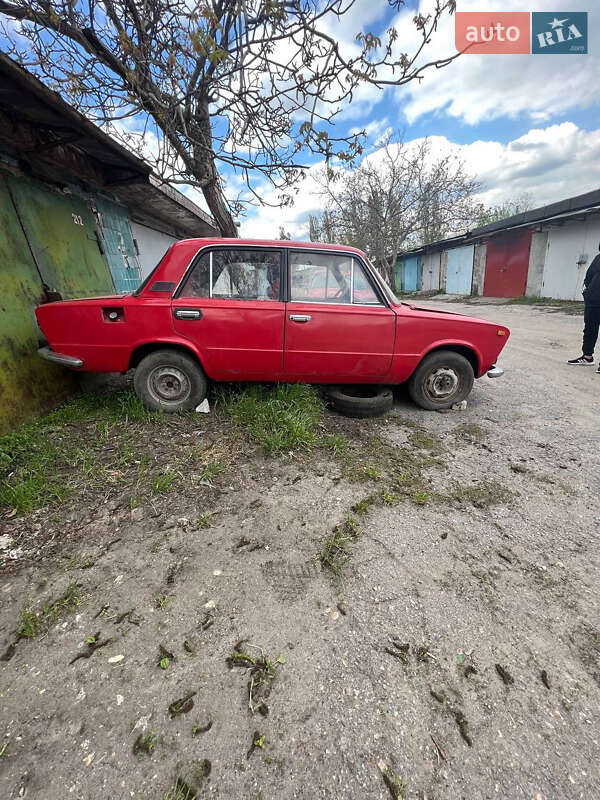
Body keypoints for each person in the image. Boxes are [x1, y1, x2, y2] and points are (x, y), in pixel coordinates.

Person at [568, 243, 600, 370]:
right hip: (593, 300)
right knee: (589, 329)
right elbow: (589, 276)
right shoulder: (598, 258)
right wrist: (588, 292)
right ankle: (587, 357)